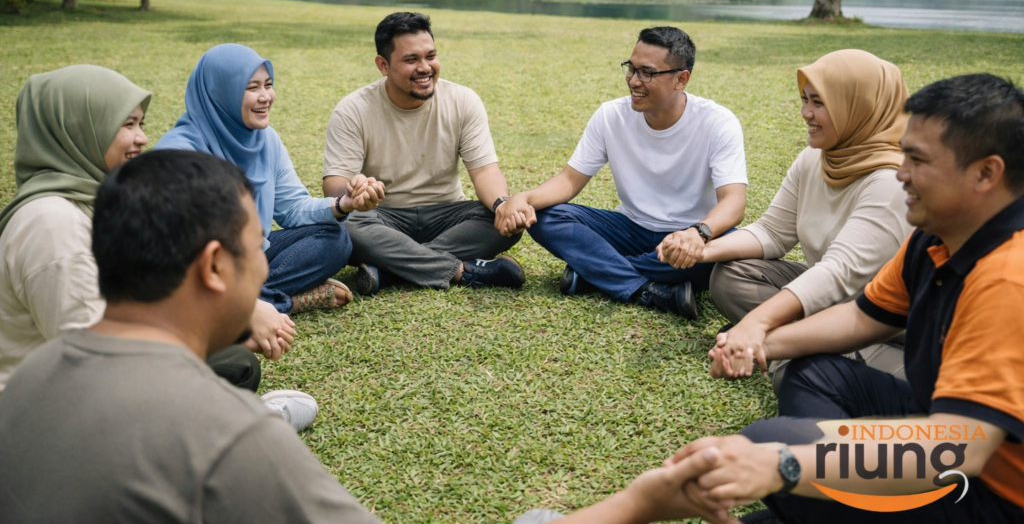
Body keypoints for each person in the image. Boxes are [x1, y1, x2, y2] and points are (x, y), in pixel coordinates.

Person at [0, 148, 737, 524]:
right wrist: (633, 504)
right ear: (216, 266)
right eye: (262, 244)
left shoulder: (33, 376)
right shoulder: (222, 436)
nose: (271, 259)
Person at [678, 74, 1024, 523]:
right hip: (936, 423)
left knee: (772, 442)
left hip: (992, 495)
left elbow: (958, 450)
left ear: (985, 173)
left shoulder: (1008, 279)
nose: (900, 173)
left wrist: (786, 466)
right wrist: (759, 342)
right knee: (814, 369)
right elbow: (861, 320)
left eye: (917, 161)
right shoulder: (936, 237)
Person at [0, 65, 315, 428]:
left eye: (141, 124)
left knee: (234, 363)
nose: (142, 139)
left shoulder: (89, 200)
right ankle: (232, 425)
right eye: (127, 125)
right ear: (79, 127)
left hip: (87, 378)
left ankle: (217, 417)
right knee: (229, 365)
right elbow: (96, 362)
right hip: (44, 413)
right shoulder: (52, 225)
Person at [686, 50, 912, 387]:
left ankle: (791, 351)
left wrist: (757, 323)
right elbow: (772, 232)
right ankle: (798, 346)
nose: (805, 113)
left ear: (858, 105)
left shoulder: (892, 182)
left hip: (894, 326)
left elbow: (838, 273)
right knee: (730, 274)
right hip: (836, 302)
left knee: (802, 375)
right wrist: (700, 249)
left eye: (819, 102)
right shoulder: (815, 158)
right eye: (805, 99)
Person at [497, 27, 747, 319]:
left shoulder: (717, 123)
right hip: (629, 228)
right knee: (545, 216)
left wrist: (699, 233)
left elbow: (734, 202)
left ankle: (595, 271)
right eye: (631, 68)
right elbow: (568, 181)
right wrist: (524, 198)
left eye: (647, 73)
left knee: (732, 247)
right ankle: (646, 288)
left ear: (681, 79)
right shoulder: (611, 116)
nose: (633, 81)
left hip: (687, 237)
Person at [157, 43, 381, 321]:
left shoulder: (266, 140)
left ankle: (244, 302)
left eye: (268, 85)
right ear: (220, 93)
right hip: (201, 267)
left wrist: (342, 204)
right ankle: (283, 303)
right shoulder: (179, 153)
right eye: (252, 88)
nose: (266, 97)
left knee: (335, 239)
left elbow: (292, 207)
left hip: (250, 257)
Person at [323, 12, 525, 295]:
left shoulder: (463, 100)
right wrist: (354, 193)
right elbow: (334, 186)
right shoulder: (353, 109)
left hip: (446, 218)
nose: (425, 68)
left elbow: (484, 171)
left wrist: (503, 203)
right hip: (382, 218)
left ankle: (390, 268)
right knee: (349, 224)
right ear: (383, 65)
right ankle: (460, 271)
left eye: (430, 56)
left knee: (503, 220)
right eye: (411, 60)